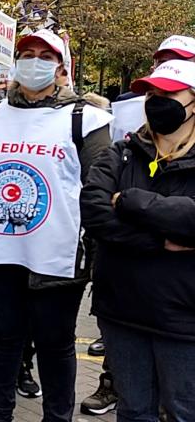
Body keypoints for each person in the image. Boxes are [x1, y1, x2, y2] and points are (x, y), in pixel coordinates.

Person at [0, 28, 113, 422]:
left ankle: (57, 417)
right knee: (0, 340)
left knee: (55, 344)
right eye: (27, 53)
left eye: (44, 56)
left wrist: (96, 256)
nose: (34, 62)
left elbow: (98, 190)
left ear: (61, 67)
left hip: (58, 258)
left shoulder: (87, 119)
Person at [81, 59, 195, 421]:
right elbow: (95, 212)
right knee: (133, 411)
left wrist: (131, 201)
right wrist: (160, 242)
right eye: (152, 93)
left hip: (183, 319)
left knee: (183, 412)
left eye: (168, 94)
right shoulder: (121, 152)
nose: (156, 100)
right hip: (122, 311)